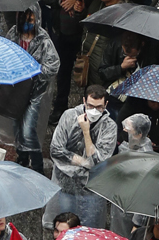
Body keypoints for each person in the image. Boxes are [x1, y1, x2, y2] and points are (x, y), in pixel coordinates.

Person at [46, 84, 117, 228]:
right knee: (65, 227)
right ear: (84, 101)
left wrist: (86, 132)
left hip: (91, 189)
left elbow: (98, 162)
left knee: (89, 230)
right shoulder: (69, 116)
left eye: (99, 107)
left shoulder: (109, 127)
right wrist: (84, 162)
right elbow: (55, 150)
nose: (94, 111)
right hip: (66, 184)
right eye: (90, 106)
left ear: (106, 105)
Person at [4, 8, 59, 172]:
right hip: (15, 90)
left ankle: (36, 164)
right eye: (24, 19)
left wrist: (33, 72)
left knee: (28, 130)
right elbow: (5, 56)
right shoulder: (13, 34)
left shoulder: (43, 40)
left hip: (34, 92)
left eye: (31, 20)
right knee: (17, 127)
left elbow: (53, 65)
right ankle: (22, 157)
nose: (28, 23)